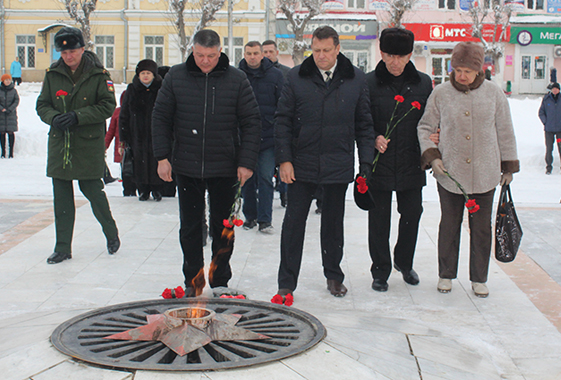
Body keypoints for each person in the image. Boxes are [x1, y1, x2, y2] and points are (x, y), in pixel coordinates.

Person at [152, 29, 261, 296]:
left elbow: (251, 122)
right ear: (193, 50)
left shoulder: (237, 79)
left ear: (220, 51)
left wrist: (246, 162)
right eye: (200, 55)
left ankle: (220, 279)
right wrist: (162, 157)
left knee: (223, 227)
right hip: (187, 165)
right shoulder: (176, 77)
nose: (205, 61)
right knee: (190, 227)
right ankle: (194, 281)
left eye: (211, 56)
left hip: (224, 166)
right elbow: (160, 118)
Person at [274, 26, 375, 301]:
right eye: (316, 50)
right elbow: (282, 120)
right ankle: (286, 282)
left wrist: (366, 161)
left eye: (326, 50)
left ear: (337, 49)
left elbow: (364, 124)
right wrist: (284, 159)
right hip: (300, 165)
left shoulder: (356, 80)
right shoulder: (296, 77)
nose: (321, 56)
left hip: (337, 164)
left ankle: (333, 276)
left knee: (333, 225)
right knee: (293, 224)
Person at [417, 42, 519, 298]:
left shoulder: (493, 93)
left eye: (467, 71)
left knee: (482, 229)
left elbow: (505, 131)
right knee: (449, 225)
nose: (462, 75)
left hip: (485, 173)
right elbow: (425, 127)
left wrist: (508, 166)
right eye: (458, 69)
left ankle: (479, 277)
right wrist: (433, 156)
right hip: (450, 174)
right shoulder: (440, 93)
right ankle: (446, 274)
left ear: (479, 70)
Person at [36, 26, 119, 264]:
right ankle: (62, 247)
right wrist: (53, 117)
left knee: (93, 191)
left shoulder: (98, 75)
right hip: (61, 144)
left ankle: (111, 232)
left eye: (72, 51)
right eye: (63, 53)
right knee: (61, 199)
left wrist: (78, 116)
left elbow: (107, 106)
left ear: (82, 49)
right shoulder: (53, 74)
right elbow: (42, 104)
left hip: (87, 143)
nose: (68, 56)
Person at [365, 27, 433, 292]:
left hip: (410, 161)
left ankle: (404, 263)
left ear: (409, 55)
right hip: (379, 164)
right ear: (381, 53)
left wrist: (434, 136)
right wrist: (373, 137)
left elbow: (431, 120)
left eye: (401, 56)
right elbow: (361, 120)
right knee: (379, 219)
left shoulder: (423, 83)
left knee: (412, 215)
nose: (395, 62)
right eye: (390, 55)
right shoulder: (368, 83)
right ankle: (380, 270)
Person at [238, 41, 284, 233]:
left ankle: (265, 219)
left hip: (267, 137)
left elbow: (282, 105)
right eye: (249, 53)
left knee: (265, 177)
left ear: (262, 55)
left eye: (256, 53)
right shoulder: (237, 76)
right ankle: (250, 216)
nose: (252, 57)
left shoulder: (275, 75)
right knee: (246, 179)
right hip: (244, 138)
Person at [120, 59, 165, 201]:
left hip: (156, 133)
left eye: (148, 73)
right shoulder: (132, 89)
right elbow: (124, 114)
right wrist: (124, 136)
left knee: (155, 160)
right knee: (139, 161)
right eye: (143, 73)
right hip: (137, 134)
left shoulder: (161, 89)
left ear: (154, 75)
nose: (145, 76)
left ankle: (157, 189)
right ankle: (143, 189)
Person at [263, 40, 290, 208]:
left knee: (283, 163)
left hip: (281, 124)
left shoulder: (286, 73)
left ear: (276, 53)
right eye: (264, 52)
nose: (267, 55)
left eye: (270, 52)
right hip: (265, 127)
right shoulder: (257, 73)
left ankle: (285, 194)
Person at [106, 90, 137, 196]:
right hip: (122, 148)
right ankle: (128, 191)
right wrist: (104, 146)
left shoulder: (137, 111)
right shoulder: (117, 112)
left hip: (136, 146)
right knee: (126, 170)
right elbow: (110, 131)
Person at [538, 82, 561, 175]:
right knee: (549, 148)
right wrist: (545, 122)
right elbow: (541, 113)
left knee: (560, 148)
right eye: (553, 88)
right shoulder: (546, 99)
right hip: (549, 130)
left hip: (560, 130)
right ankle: (548, 167)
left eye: (556, 88)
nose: (555, 90)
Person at [0, 74, 19, 158]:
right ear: (3, 81)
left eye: (9, 80)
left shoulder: (13, 91)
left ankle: (11, 152)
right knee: (2, 133)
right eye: (6, 80)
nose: (8, 81)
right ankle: (3, 152)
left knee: (11, 132)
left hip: (10, 114)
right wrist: (2, 109)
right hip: (1, 115)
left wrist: (10, 109)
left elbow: (16, 100)